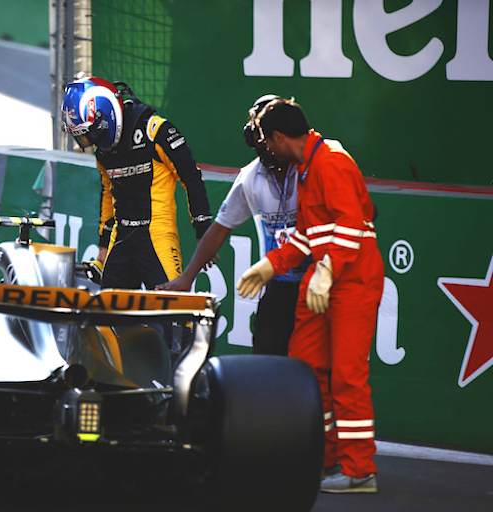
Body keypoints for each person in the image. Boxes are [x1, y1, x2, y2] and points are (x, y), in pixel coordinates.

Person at [236, 98, 384, 493]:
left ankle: (359, 470)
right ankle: (323, 457)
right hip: (324, 278)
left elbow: (352, 225)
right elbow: (307, 235)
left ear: (280, 137)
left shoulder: (331, 160)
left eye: (267, 140)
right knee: (306, 369)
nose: (265, 148)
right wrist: (271, 264)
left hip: (351, 279)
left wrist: (327, 270)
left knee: (347, 376)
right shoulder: (308, 167)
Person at [157, 94, 309, 356]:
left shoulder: (312, 166)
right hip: (278, 285)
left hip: (315, 283)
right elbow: (220, 228)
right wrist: (187, 277)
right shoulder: (251, 177)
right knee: (267, 358)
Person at [61, 77, 212, 289]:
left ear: (106, 114)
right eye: (83, 137)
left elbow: (191, 177)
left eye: (89, 134)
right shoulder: (103, 150)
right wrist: (103, 249)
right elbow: (107, 195)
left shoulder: (155, 130)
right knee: (108, 314)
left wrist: (203, 231)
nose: (90, 141)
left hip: (157, 233)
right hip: (121, 235)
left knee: (173, 309)